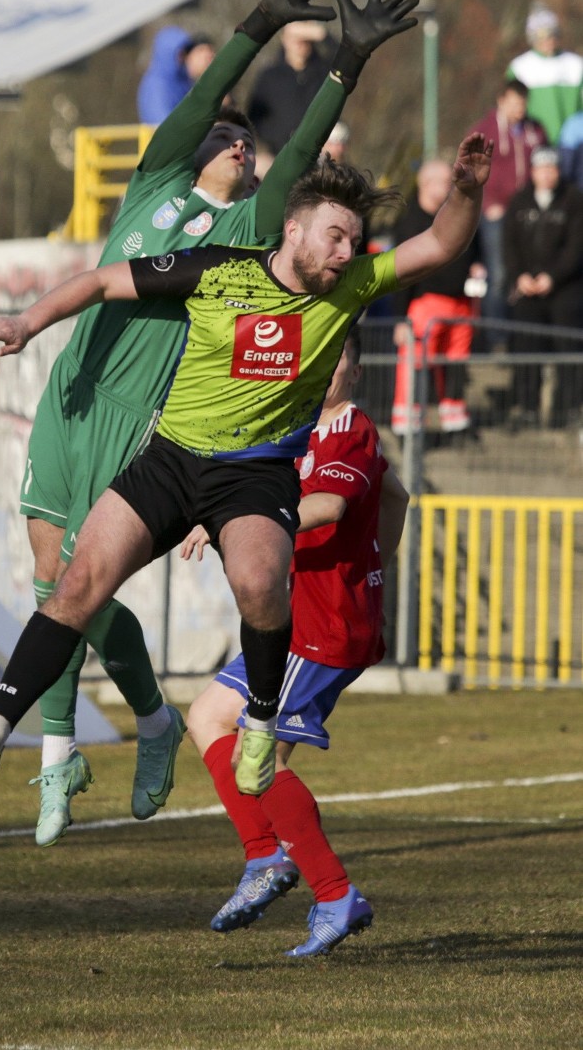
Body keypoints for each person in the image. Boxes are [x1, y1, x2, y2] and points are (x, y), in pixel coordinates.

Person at [0, 0, 421, 847]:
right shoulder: (157, 180)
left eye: (248, 138)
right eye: (229, 135)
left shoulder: (252, 233)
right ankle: (122, 731)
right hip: (72, 395)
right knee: (57, 577)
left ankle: (87, 748)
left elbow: (306, 159)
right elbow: (199, 104)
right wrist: (261, 20)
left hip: (151, 424)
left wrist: (344, 66)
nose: (240, 141)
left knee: (82, 574)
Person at [0, 129, 492, 801]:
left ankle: (260, 719)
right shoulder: (217, 268)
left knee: (259, 582)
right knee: (77, 579)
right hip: (172, 459)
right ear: (292, 231)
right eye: (335, 237)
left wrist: (465, 188)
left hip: (255, 473)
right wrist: (29, 322)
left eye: (353, 240)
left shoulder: (348, 288)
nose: (348, 253)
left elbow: (439, 244)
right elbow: (102, 280)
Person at [181, 329, 409, 956]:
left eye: (337, 360)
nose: (324, 369)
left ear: (355, 372)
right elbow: (397, 495)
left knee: (260, 760)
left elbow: (332, 505)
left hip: (323, 628)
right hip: (306, 620)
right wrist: (375, 565)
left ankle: (328, 891)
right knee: (207, 718)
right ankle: (269, 860)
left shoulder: (347, 430)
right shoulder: (300, 428)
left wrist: (240, 520)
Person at [389, 157, 483, 434]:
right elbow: (400, 272)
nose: (448, 187)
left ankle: (455, 421)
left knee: (455, 364)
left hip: (461, 302)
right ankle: (407, 424)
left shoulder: (458, 214)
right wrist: (400, 318)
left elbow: (475, 248)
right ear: (425, 184)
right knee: (414, 365)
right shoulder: (409, 221)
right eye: (443, 182)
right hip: (425, 304)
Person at [504, 146, 583, 427]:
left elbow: (576, 247)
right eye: (542, 169)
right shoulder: (519, 202)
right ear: (533, 172)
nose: (547, 174)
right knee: (527, 347)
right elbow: (509, 244)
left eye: (552, 169)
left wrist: (553, 277)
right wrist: (520, 276)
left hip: (564, 289)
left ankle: (569, 408)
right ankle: (527, 408)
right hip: (527, 289)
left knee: (568, 348)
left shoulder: (574, 200)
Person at [468, 79, 547, 342]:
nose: (520, 109)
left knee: (527, 272)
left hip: (528, 214)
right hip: (497, 214)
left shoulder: (535, 131)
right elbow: (473, 171)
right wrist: (488, 204)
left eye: (523, 103)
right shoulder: (485, 131)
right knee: (499, 275)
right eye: (515, 103)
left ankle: (526, 337)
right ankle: (496, 339)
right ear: (501, 101)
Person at [247, 19, 332, 176]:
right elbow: (254, 118)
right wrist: (276, 142)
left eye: (305, 39)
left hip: (318, 159)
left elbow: (348, 62)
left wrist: (320, 33)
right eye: (295, 37)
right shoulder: (269, 76)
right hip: (277, 158)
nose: (300, 43)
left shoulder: (324, 73)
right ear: (283, 39)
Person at [507, 6, 583, 144]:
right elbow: (510, 108)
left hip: (571, 143)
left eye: (552, 35)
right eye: (541, 37)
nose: (548, 41)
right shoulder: (519, 67)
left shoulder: (576, 65)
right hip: (532, 142)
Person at [136, 27, 216, 124]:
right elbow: (161, 123)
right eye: (179, 52)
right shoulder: (157, 84)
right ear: (168, 53)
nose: (183, 57)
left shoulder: (181, 80)